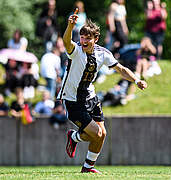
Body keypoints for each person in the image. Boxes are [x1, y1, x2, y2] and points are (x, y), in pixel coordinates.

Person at [59, 12, 147, 173]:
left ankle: (87, 168)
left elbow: (121, 69)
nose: (83, 41)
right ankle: (74, 137)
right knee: (96, 133)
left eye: (87, 38)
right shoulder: (76, 51)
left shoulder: (103, 53)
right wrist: (70, 26)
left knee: (102, 134)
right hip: (72, 99)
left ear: (95, 39)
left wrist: (136, 80)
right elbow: (66, 42)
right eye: (82, 37)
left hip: (90, 96)